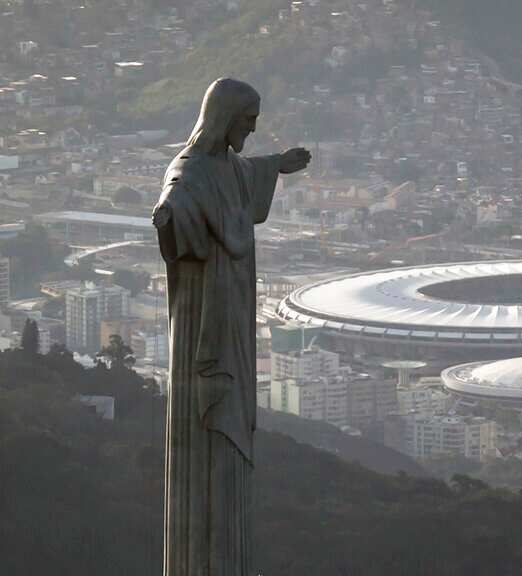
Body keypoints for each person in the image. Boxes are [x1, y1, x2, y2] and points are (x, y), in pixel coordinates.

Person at [153, 78, 309, 576]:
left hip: (234, 314)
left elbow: (244, 174)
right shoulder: (191, 171)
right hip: (203, 317)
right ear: (224, 119)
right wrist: (167, 217)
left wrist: (276, 166)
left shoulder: (229, 167)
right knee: (203, 435)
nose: (252, 130)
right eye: (247, 122)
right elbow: (177, 197)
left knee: (230, 443)